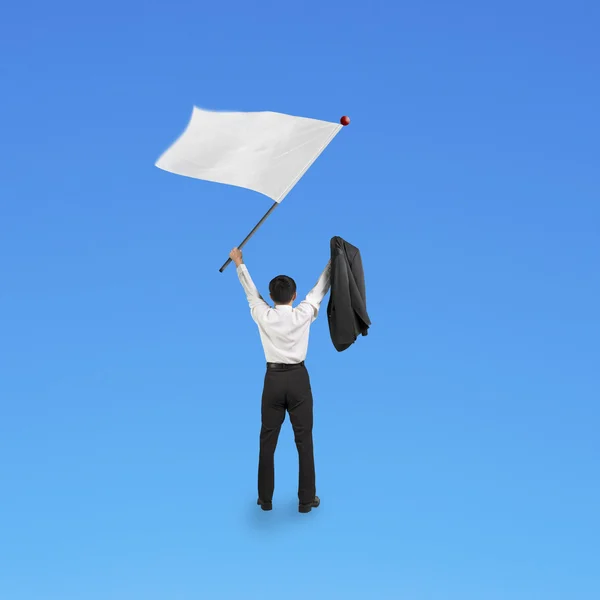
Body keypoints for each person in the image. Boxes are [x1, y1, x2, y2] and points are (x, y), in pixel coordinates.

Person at [229, 247, 331, 513]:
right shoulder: (303, 313)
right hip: (298, 379)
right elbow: (320, 289)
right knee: (304, 440)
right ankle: (306, 501)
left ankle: (265, 499)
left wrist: (239, 263)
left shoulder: (264, 314)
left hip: (273, 380)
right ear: (294, 296)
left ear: (271, 297)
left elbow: (251, 293)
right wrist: (334, 261)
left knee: (267, 440)